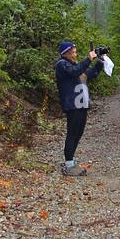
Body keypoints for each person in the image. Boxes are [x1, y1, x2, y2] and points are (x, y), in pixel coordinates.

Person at [53, 40, 91, 176]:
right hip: (72, 104)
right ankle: (69, 165)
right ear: (66, 53)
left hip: (81, 104)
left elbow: (89, 74)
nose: (75, 55)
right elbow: (75, 72)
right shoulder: (62, 65)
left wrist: (100, 62)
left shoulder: (74, 65)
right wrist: (88, 59)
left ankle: (71, 162)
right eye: (73, 52)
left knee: (78, 133)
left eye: (75, 52)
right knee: (72, 133)